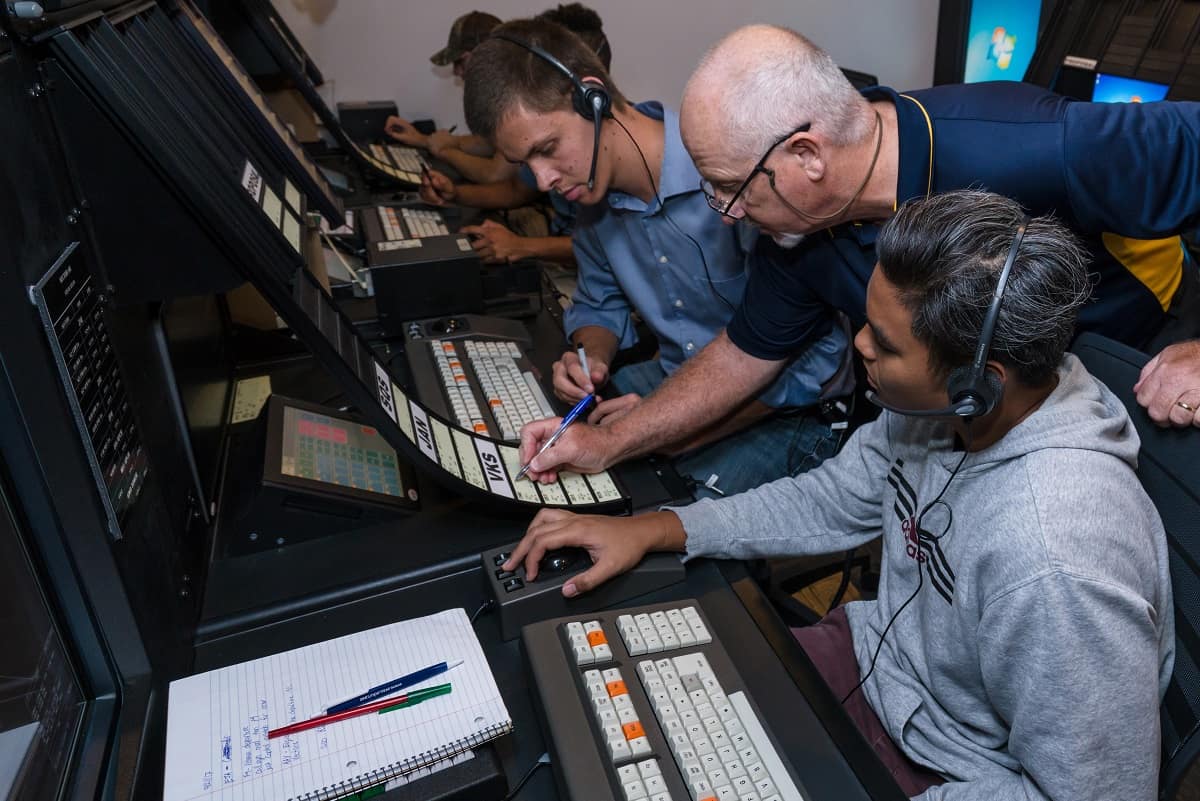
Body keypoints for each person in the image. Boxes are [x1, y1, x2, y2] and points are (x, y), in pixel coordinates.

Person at [504, 190, 1175, 799]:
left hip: (955, 767)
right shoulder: (953, 407)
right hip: (880, 664)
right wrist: (659, 527)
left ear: (982, 382)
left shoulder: (1058, 557)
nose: (856, 343)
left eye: (882, 342)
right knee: (628, 713)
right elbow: (831, 499)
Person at [518, 24, 1200, 484]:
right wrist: (607, 442)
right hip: (1002, 397)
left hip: (1132, 347)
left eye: (731, 188)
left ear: (806, 156)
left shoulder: (1032, 142)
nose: (724, 213)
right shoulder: (799, 230)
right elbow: (743, 354)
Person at [463, 19, 849, 498]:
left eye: (547, 149)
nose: (543, 181)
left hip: (788, 410)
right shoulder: (592, 207)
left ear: (593, 98)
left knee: (659, 522)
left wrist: (682, 429)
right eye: (527, 164)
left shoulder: (736, 176)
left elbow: (818, 357)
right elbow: (597, 305)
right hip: (679, 387)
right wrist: (591, 357)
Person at [417, 4, 614, 266]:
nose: (543, 180)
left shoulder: (618, 151)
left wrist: (524, 246)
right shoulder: (546, 129)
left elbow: (610, 248)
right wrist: (456, 194)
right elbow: (516, 189)